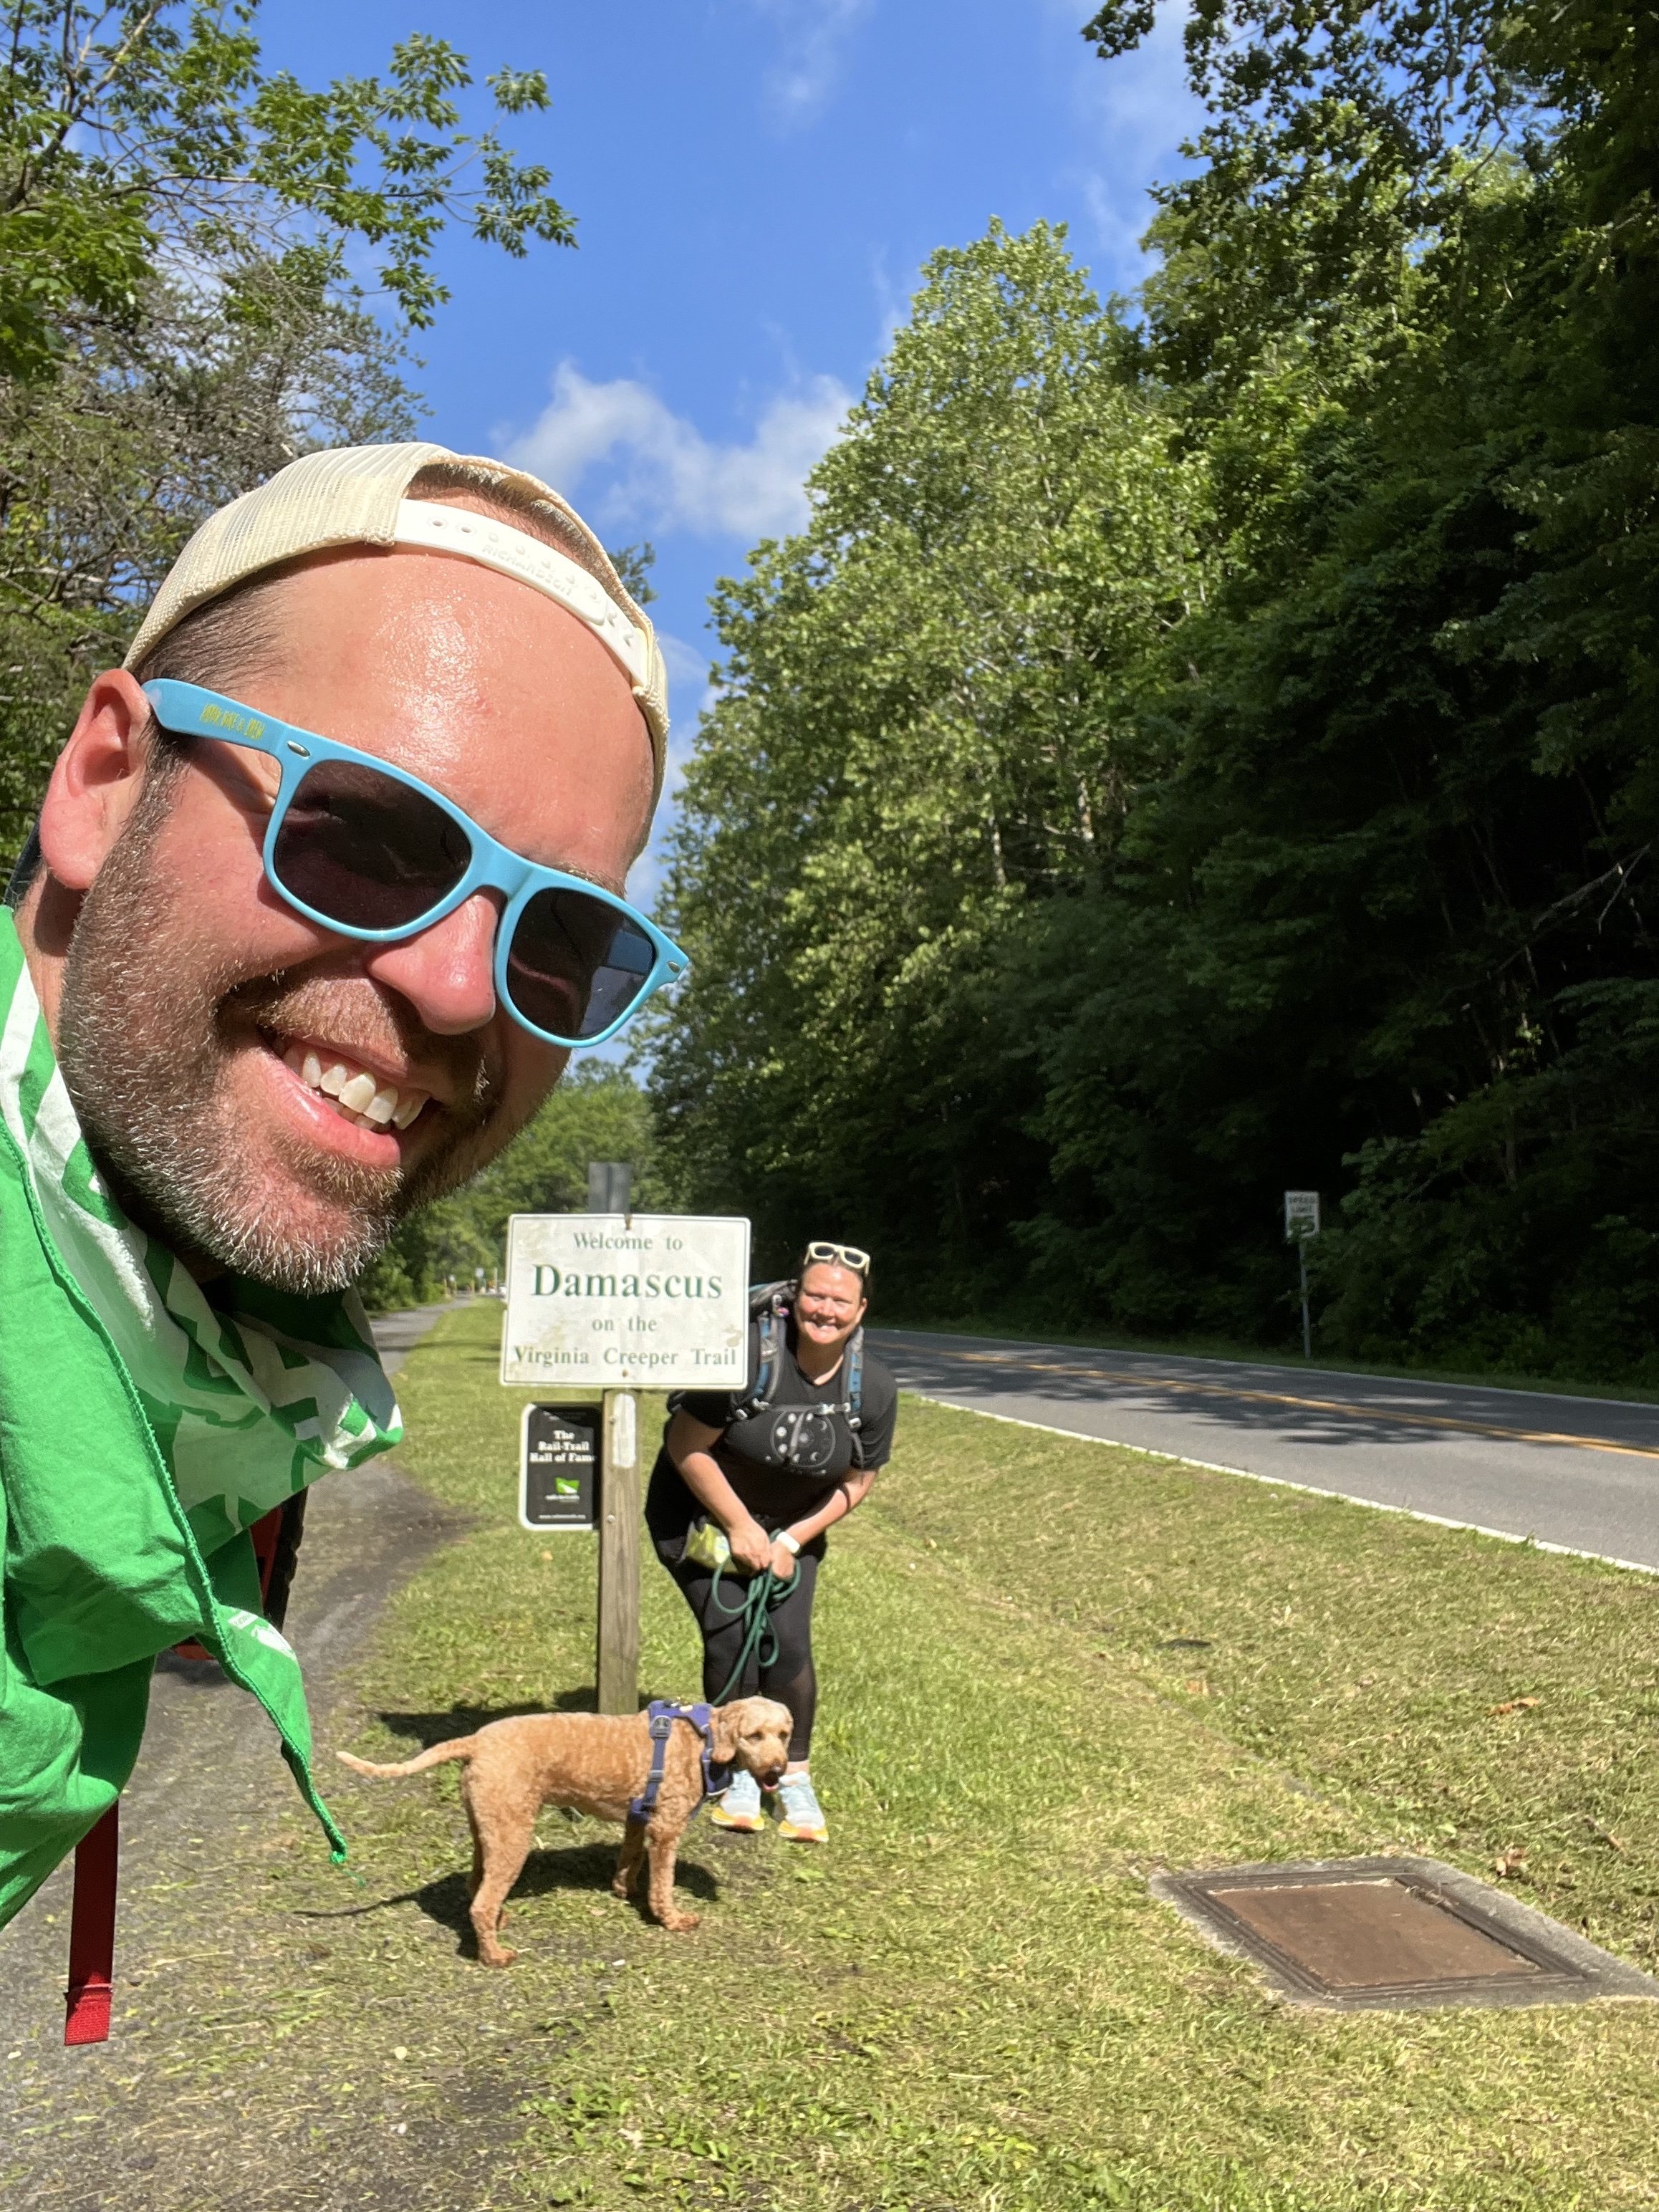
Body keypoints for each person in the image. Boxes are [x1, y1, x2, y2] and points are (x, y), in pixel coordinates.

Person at [0, 440, 679, 1936]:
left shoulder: (162, 1360)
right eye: (364, 833)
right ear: (106, 784)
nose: (456, 987)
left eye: (562, 941)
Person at [645, 1243, 898, 1843]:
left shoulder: (875, 1389)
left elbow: (859, 1479)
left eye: (841, 1301)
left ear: (860, 1311)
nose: (826, 1310)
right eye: (816, 1295)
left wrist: (791, 1537)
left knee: (786, 1646)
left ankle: (794, 1776)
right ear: (793, 1299)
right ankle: (733, 1767)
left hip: (794, 1528)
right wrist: (739, 1526)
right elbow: (686, 1447)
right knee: (731, 1640)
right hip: (702, 1517)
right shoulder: (744, 1360)